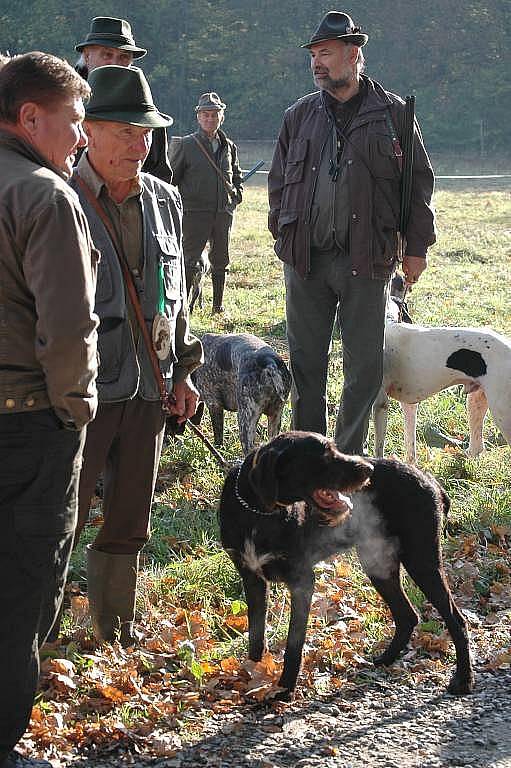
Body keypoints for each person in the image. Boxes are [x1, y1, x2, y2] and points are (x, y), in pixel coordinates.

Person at [71, 65, 203, 646]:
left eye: (145, 132)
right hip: (81, 391)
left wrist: (182, 370)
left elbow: (178, 293)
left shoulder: (165, 200)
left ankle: (112, 634)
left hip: (149, 387)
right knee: (62, 520)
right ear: (89, 131)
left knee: (129, 521)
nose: (139, 143)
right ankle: (37, 635)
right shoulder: (58, 195)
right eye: (125, 131)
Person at [268, 11, 436, 455]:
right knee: (307, 367)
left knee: (362, 370)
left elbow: (418, 183)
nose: (316, 63)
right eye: (313, 55)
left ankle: (344, 461)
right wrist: (283, 236)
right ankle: (309, 460)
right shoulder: (299, 115)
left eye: (325, 54)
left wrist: (416, 248)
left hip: (368, 259)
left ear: (353, 54)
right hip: (305, 260)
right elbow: (279, 183)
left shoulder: (395, 115)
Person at [0, 52, 98, 768]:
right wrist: (76, 407)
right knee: (23, 585)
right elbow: (67, 329)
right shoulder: (43, 194)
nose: (84, 136)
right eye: (74, 119)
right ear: (30, 117)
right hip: (28, 420)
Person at [75, 16, 173, 183]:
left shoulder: (147, 118)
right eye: (107, 54)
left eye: (124, 57)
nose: (115, 63)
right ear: (87, 55)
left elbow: (160, 177)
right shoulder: (63, 110)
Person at [169, 92, 243, 313]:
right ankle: (182, 307)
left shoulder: (229, 146)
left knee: (221, 260)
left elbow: (236, 175)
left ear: (222, 117)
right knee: (189, 260)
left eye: (215, 114)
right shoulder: (186, 145)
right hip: (194, 213)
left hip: (222, 212)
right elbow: (172, 179)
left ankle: (217, 307)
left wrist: (237, 195)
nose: (210, 119)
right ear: (199, 118)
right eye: (206, 115)